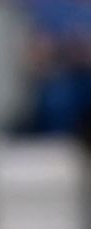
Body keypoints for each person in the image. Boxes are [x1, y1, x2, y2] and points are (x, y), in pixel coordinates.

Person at [13, 0, 91, 146]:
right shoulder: (48, 8)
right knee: (58, 99)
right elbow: (36, 54)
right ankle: (59, 151)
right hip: (62, 74)